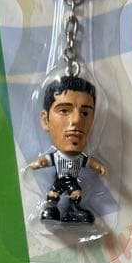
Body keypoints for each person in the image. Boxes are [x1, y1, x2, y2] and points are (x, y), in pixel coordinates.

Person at [29, 75, 105, 224]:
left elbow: (90, 163)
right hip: (59, 180)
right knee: (53, 194)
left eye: (85, 113)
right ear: (45, 120)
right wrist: (37, 164)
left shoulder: (81, 157)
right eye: (64, 110)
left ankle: (73, 210)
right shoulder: (56, 156)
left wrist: (98, 167)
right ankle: (52, 210)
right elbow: (45, 161)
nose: (76, 120)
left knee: (75, 195)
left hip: (73, 181)